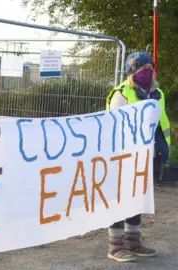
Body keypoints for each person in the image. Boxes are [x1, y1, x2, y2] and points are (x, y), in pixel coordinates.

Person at [105, 52, 171, 262]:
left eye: (151, 68)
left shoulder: (158, 93)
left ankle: (133, 241)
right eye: (143, 69)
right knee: (120, 197)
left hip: (149, 156)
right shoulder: (121, 94)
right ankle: (115, 246)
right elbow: (115, 126)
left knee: (138, 198)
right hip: (124, 156)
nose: (148, 72)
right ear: (133, 72)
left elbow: (161, 125)